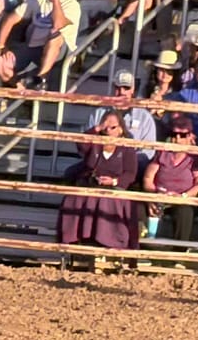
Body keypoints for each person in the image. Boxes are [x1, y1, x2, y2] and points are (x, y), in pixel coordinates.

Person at [59, 108, 142, 254]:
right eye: (105, 126)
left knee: (107, 201)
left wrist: (114, 181)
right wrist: (97, 128)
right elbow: (81, 144)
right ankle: (76, 239)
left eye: (113, 127)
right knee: (75, 198)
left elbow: (130, 173)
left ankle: (108, 242)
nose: (108, 130)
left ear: (121, 129)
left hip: (114, 186)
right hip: (91, 183)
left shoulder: (127, 148)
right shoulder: (95, 142)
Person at [142, 111, 198, 240]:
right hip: (159, 196)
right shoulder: (162, 153)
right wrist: (152, 196)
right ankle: (139, 245)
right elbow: (148, 178)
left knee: (184, 211)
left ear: (190, 136)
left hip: (184, 199)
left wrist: (182, 197)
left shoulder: (197, 157)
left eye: (182, 135)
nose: (177, 139)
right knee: (139, 206)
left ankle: (179, 250)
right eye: (174, 134)